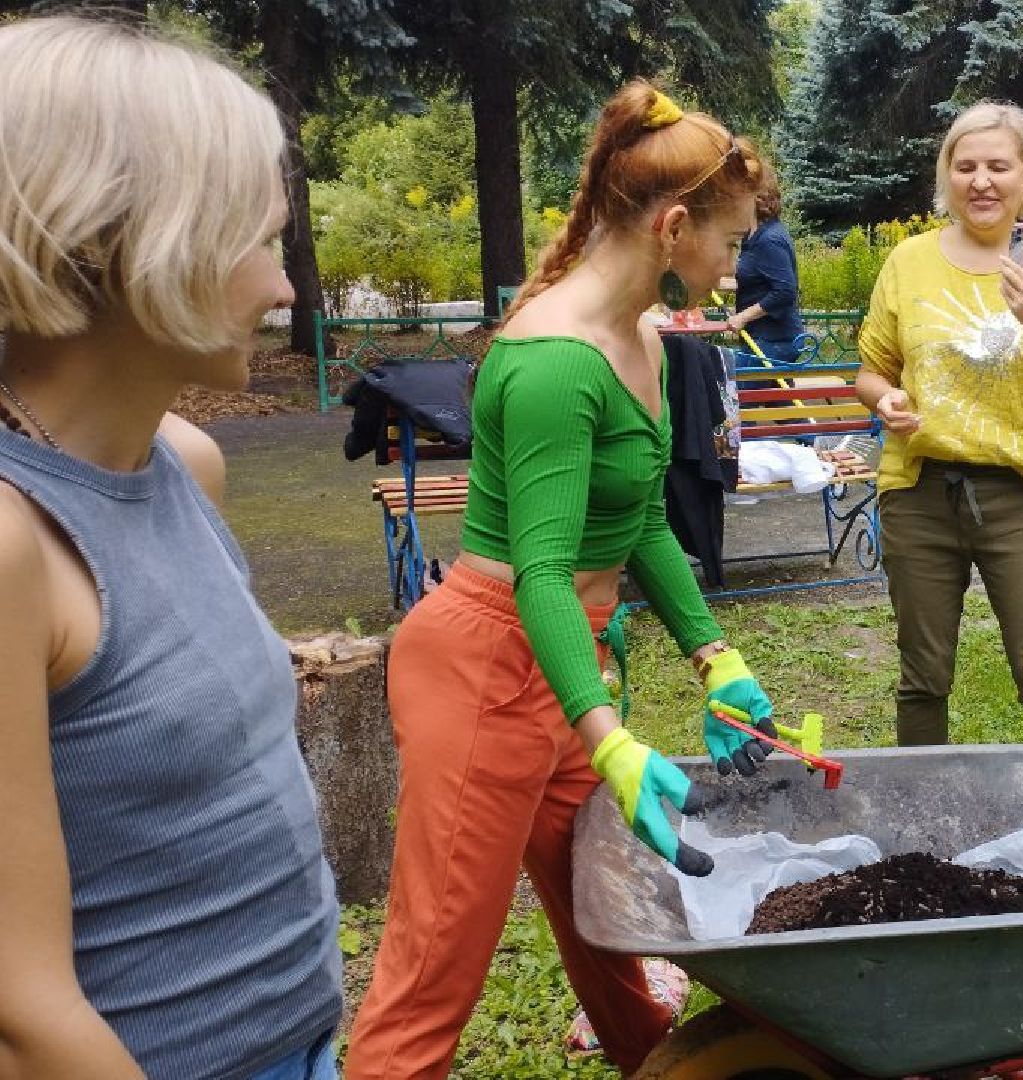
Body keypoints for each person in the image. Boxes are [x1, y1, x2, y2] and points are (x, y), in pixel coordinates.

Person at [346, 80, 780, 1079]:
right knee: (431, 981)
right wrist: (610, 737)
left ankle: (661, 1065)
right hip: (489, 669)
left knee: (611, 930)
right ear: (673, 226)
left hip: (563, 663)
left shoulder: (643, 340)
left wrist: (715, 655)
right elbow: (541, 571)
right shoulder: (554, 362)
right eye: (730, 240)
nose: (737, 262)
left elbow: (636, 527)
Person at [0, 15, 342, 1079]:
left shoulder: (183, 464)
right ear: (131, 236)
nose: (282, 288)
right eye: (257, 240)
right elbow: (21, 1012)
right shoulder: (14, 546)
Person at [855, 101, 1023, 750]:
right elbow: (872, 372)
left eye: (998, 165)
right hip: (918, 491)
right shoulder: (909, 262)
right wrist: (883, 400)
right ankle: (920, 837)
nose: (982, 181)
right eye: (965, 166)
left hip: (1020, 495)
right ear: (948, 177)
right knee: (922, 680)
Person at [728, 174, 805, 365]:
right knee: (777, 396)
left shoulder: (770, 240)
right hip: (760, 338)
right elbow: (751, 278)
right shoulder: (751, 236)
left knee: (741, 392)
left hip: (776, 341)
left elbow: (785, 291)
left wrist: (743, 317)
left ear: (755, 200)